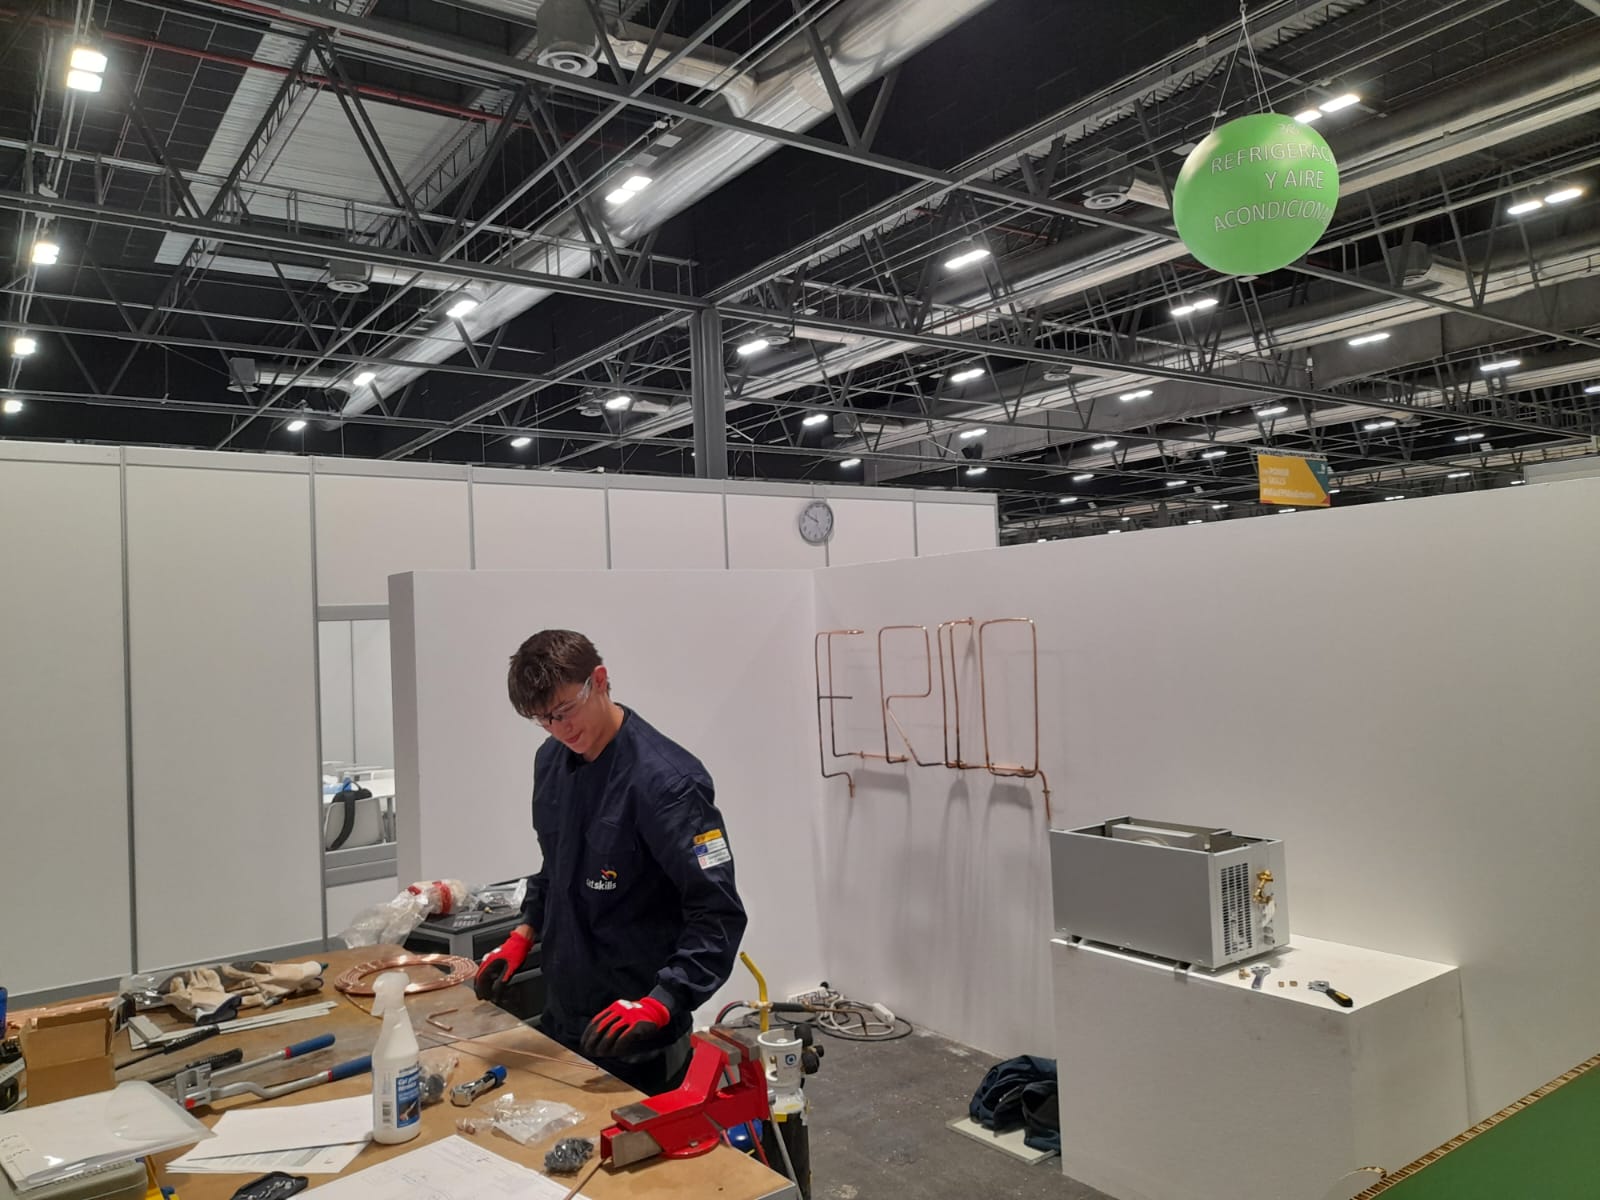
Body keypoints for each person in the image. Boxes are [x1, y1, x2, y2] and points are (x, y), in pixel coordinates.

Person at [473, 629, 748, 1094]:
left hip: (639, 1035)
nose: (560, 729)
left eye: (565, 711)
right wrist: (523, 934)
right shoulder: (552, 762)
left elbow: (717, 913)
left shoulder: (668, 784)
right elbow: (555, 866)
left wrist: (663, 1000)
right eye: (544, 720)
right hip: (565, 1016)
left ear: (599, 681)